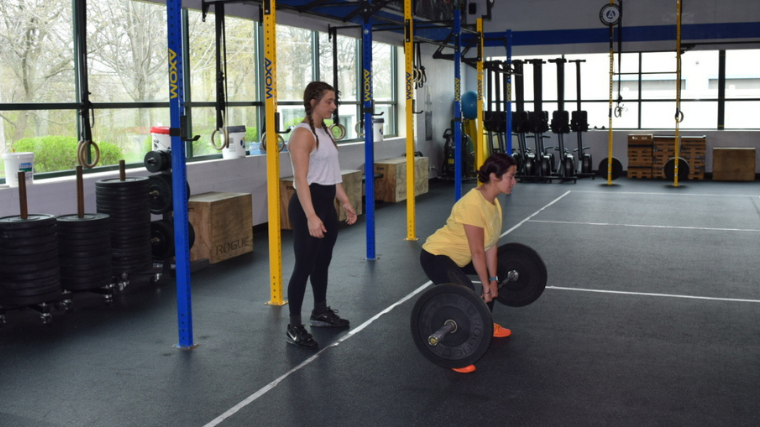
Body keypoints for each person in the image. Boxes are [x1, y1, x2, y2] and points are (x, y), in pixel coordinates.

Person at [419, 152, 518, 373]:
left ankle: (486, 323)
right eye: (510, 177)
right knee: (466, 296)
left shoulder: (493, 204)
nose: (514, 181)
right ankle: (455, 353)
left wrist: (493, 280)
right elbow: (477, 251)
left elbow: (490, 245)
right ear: (494, 176)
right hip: (438, 256)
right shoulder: (472, 204)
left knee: (497, 272)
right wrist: (487, 284)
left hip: (462, 256)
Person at [285, 81, 357, 349]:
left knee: (322, 261)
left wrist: (346, 202)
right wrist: (311, 216)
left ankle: (320, 312)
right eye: (329, 101)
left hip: (327, 206)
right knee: (303, 266)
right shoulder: (303, 134)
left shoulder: (324, 131)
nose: (334, 106)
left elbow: (332, 175)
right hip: (309, 206)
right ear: (313, 102)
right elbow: (301, 180)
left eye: (334, 101)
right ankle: (294, 326)